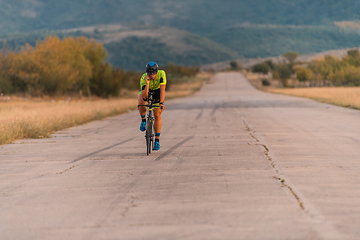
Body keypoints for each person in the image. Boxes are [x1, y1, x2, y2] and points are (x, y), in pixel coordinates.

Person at [138, 61, 166, 151]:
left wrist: (161, 102)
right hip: (147, 90)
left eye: (153, 73)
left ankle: (157, 140)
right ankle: (143, 120)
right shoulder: (144, 78)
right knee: (140, 100)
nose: (152, 75)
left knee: (157, 114)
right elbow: (144, 97)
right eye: (150, 73)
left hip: (157, 92)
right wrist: (147, 83)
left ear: (156, 72)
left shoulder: (162, 74)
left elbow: (162, 90)